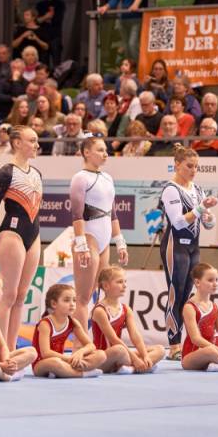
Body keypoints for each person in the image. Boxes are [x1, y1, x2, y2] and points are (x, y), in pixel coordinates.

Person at [158, 145, 218, 361]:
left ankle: (188, 342)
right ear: (177, 165)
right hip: (175, 247)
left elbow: (207, 222)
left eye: (196, 167)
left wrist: (209, 217)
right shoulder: (170, 189)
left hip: (193, 247)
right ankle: (174, 346)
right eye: (189, 166)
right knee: (176, 294)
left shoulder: (198, 189)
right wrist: (200, 209)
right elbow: (178, 222)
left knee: (187, 297)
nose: (193, 170)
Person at [0, 127, 41, 350]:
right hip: (11, 234)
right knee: (8, 295)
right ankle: (1, 350)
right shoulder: (6, 173)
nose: (37, 145)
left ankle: (11, 347)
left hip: (33, 236)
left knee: (21, 296)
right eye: (32, 140)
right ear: (17, 143)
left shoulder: (37, 173)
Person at [69, 137, 128, 346]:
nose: (105, 154)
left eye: (106, 150)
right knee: (83, 298)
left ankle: (100, 343)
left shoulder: (107, 178)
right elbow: (76, 214)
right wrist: (81, 245)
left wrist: (119, 242)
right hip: (88, 238)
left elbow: (113, 213)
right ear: (86, 152)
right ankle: (79, 346)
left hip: (104, 241)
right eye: (100, 150)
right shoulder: (80, 178)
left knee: (100, 295)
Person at [91, 267, 165, 373]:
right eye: (119, 282)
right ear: (106, 286)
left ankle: (132, 369)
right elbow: (114, 339)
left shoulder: (126, 309)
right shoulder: (100, 310)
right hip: (104, 358)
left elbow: (135, 336)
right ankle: (141, 367)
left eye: (125, 281)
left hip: (122, 355)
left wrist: (145, 356)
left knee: (160, 349)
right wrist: (135, 359)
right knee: (120, 350)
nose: (124, 285)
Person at [31, 284, 107, 378]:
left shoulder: (73, 323)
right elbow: (46, 353)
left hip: (63, 361)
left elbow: (91, 345)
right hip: (42, 364)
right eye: (66, 300)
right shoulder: (45, 324)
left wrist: (80, 352)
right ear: (54, 304)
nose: (72, 304)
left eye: (74, 300)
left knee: (101, 354)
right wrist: (69, 359)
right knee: (55, 362)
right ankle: (82, 373)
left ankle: (66, 371)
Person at [36, 0, 66, 68]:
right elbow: (37, 21)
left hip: (55, 37)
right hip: (43, 37)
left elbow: (58, 19)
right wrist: (46, 17)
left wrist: (45, 18)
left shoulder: (60, 4)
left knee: (56, 63)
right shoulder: (40, 4)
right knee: (44, 63)